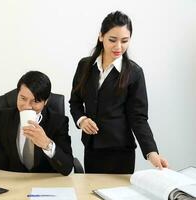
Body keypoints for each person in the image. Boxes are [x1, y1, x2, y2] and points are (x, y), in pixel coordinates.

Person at [69, 11, 168, 174]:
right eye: (112, 40)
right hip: (92, 148)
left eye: (125, 41)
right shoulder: (85, 66)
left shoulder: (134, 73)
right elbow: (75, 102)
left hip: (121, 151)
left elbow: (138, 118)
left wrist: (152, 153)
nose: (118, 47)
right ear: (101, 36)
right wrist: (82, 120)